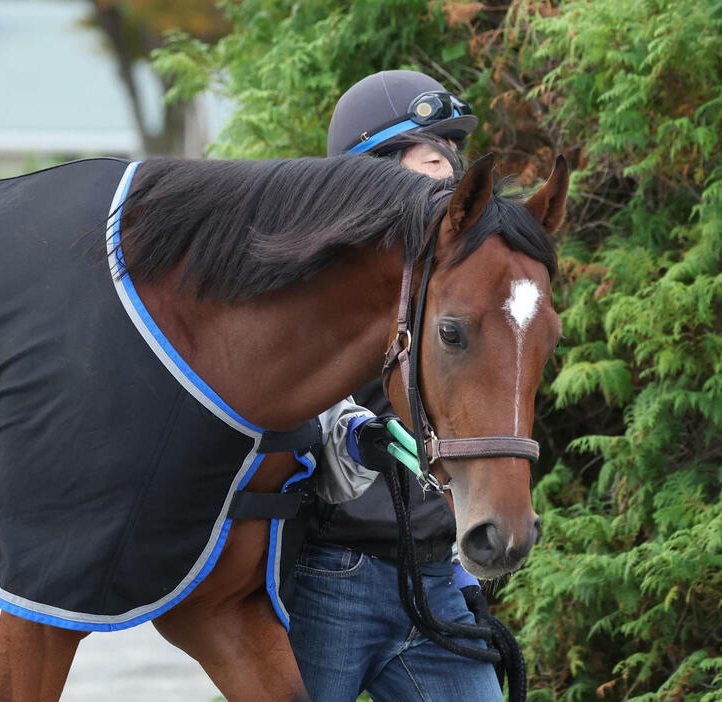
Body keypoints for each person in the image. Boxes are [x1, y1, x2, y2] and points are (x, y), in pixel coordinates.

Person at [282, 70, 505, 702]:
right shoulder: (321, 289)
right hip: (337, 579)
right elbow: (301, 409)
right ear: (375, 171)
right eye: (435, 160)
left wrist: (461, 578)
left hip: (433, 581)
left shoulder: (448, 291)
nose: (452, 179)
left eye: (452, 163)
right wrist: (352, 437)